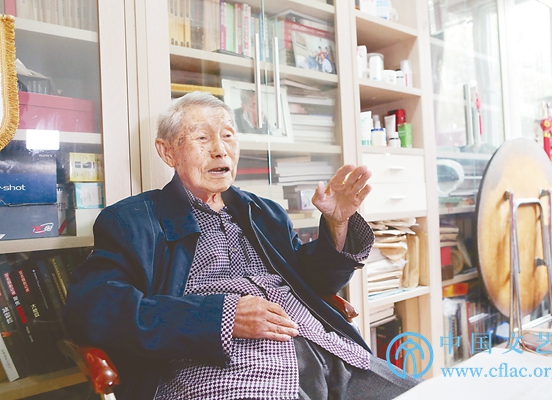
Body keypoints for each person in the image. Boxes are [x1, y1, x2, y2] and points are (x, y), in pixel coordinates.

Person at [62, 91, 420, 400]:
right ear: (168, 152)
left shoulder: (265, 212)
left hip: (326, 349)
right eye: (202, 138)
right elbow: (92, 310)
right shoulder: (132, 221)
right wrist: (220, 317)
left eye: (228, 136)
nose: (220, 151)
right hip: (222, 368)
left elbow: (314, 282)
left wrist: (337, 223)